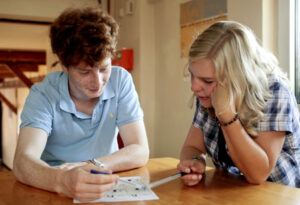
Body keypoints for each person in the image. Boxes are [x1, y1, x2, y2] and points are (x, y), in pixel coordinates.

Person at [13, 7, 149, 201]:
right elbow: (22, 163)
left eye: (104, 68)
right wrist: (61, 181)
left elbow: (139, 149)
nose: (98, 81)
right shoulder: (43, 94)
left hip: (103, 184)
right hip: (52, 189)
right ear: (63, 65)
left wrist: (90, 165)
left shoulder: (120, 80)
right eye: (85, 72)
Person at [177, 21, 300, 187]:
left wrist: (226, 116)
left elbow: (258, 175)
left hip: (278, 196)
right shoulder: (207, 93)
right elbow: (192, 146)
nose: (194, 87)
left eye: (207, 80)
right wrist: (194, 161)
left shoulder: (275, 91)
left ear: (237, 77)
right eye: (193, 75)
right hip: (233, 193)